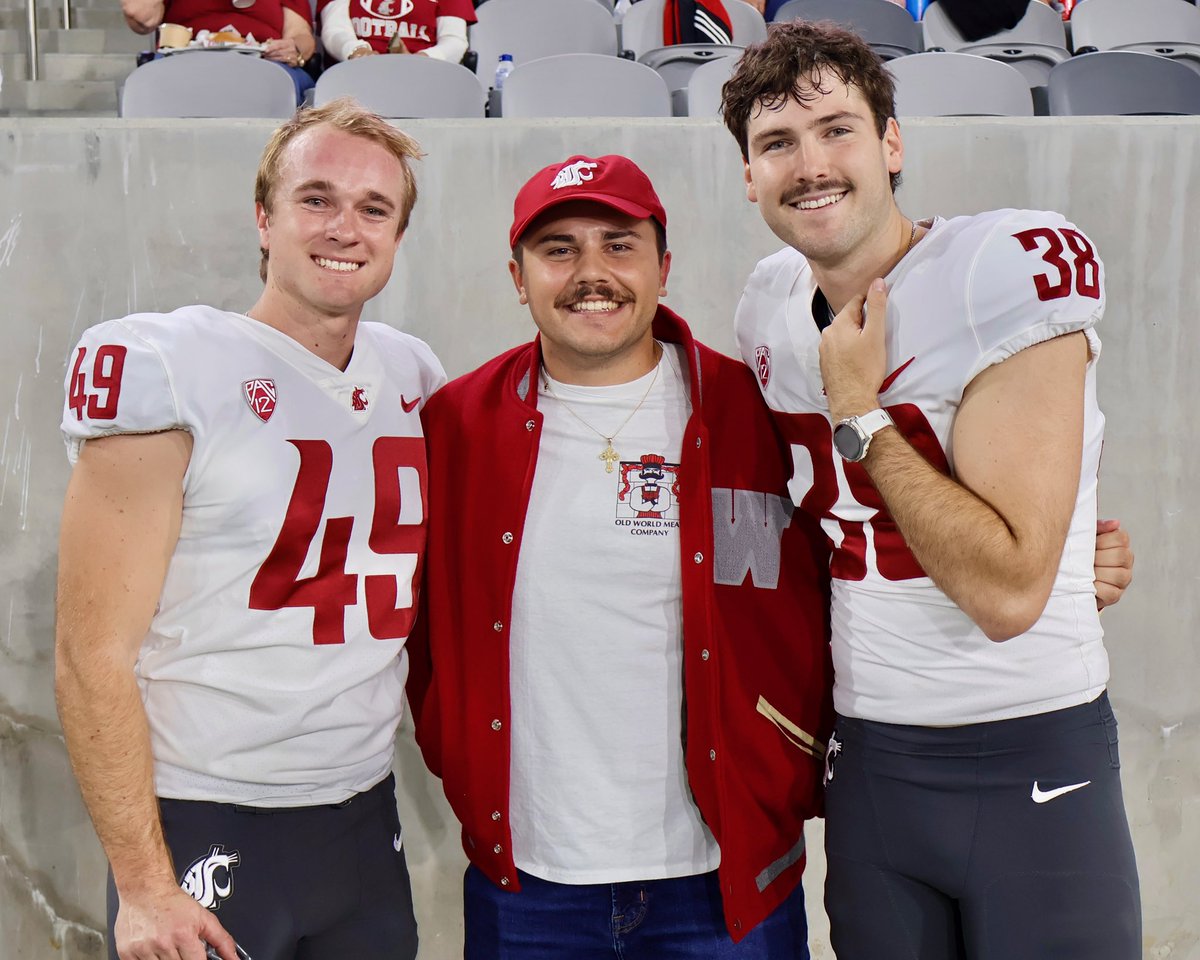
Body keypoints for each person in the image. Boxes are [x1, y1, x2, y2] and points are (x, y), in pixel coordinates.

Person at [722, 20, 1140, 959]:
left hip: (1034, 748)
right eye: (776, 142)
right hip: (872, 763)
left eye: (837, 129)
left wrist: (859, 408)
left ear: (892, 143)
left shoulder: (1002, 267)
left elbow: (1005, 593)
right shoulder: (767, 301)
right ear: (749, 176)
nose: (811, 163)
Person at [408, 154, 833, 957]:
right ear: (518, 274)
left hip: (725, 877)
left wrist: (1060, 562)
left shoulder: (755, 411)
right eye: (559, 249)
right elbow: (413, 618)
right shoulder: (456, 424)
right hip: (529, 884)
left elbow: (862, 541)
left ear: (664, 267)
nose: (590, 273)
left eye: (618, 244)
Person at [55, 99, 444, 960]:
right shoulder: (171, 365)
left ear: (397, 235)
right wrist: (146, 887)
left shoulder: (412, 372)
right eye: (316, 198)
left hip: (360, 812)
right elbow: (91, 655)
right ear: (263, 219)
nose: (345, 226)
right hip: (206, 810)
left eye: (375, 209)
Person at [120, 0, 317, 102]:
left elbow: (301, 36)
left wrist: (294, 48)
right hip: (184, 61)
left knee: (282, 83)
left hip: (265, 63)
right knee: (150, 80)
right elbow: (140, 15)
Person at [318, 0, 476, 63]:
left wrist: (420, 61)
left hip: (426, 76)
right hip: (356, 70)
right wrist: (357, 51)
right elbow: (334, 30)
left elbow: (454, 41)